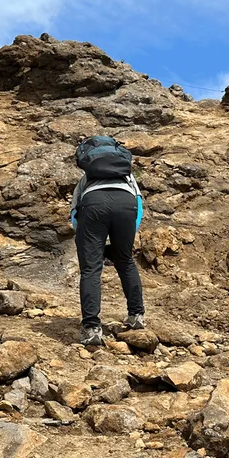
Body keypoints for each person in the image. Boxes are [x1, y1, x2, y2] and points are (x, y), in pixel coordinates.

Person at [70, 136, 145, 346]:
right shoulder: (128, 177)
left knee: (91, 269)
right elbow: (138, 207)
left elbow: (75, 212)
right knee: (125, 261)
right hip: (127, 205)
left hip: (94, 204)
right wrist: (126, 239)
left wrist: (88, 243)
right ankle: (136, 316)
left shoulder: (86, 179)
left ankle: (92, 328)